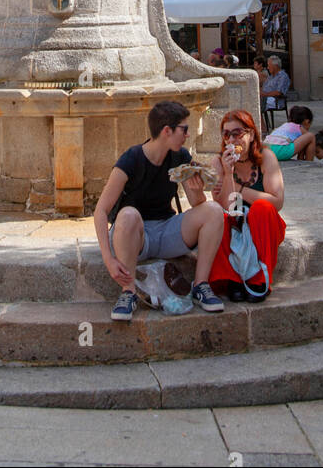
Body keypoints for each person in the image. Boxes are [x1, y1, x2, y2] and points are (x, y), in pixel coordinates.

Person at [93, 99, 226, 321]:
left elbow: (197, 205)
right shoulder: (131, 159)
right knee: (128, 213)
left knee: (213, 210)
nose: (187, 135)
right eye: (184, 129)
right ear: (167, 130)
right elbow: (101, 211)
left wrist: (198, 190)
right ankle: (128, 292)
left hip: (166, 231)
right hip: (135, 235)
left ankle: (201, 285)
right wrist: (108, 259)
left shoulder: (180, 157)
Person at [207, 109, 286, 300]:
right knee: (218, 216)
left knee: (262, 208)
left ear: (251, 134)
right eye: (227, 134)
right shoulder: (218, 163)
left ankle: (259, 280)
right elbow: (225, 204)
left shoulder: (266, 158)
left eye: (238, 133)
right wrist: (227, 173)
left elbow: (276, 202)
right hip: (236, 224)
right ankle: (232, 279)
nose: (232, 139)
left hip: (263, 225)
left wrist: (241, 190)